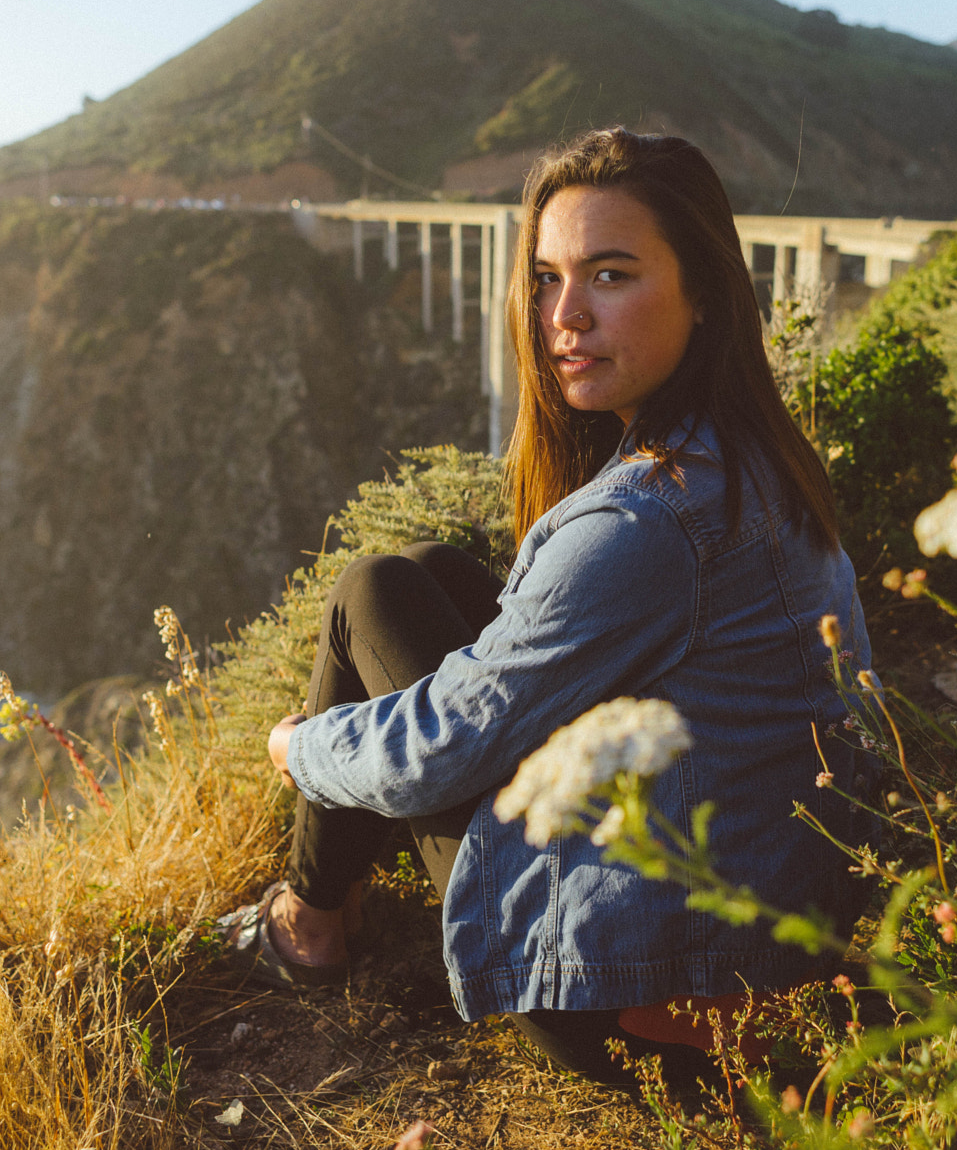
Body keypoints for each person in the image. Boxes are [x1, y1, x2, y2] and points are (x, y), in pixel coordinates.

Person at [233, 127, 877, 1086]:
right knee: (426, 571)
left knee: (367, 592)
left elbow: (439, 749)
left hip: (638, 998)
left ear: (703, 292)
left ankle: (310, 920)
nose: (563, 315)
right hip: (757, 923)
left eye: (610, 276)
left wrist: (303, 750)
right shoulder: (742, 454)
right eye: (545, 278)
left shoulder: (648, 523)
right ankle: (318, 910)